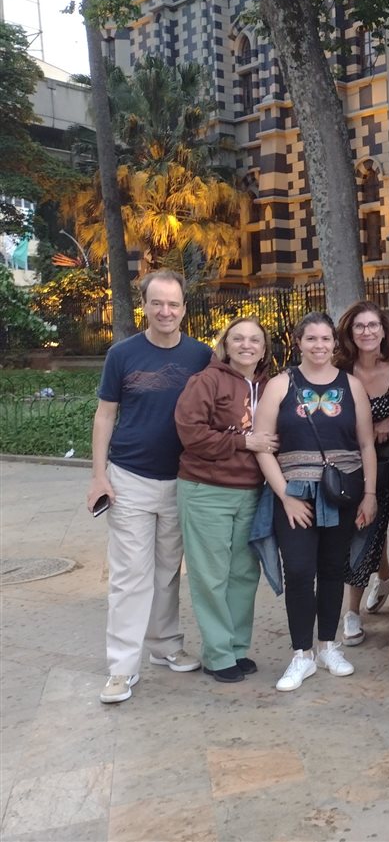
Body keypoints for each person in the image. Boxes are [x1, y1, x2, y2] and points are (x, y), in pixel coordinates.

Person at [87, 270, 214, 704]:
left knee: (167, 572)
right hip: (129, 478)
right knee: (129, 576)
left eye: (174, 304)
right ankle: (121, 668)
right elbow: (105, 415)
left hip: (181, 479)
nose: (166, 311)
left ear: (183, 307)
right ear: (144, 305)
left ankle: (165, 646)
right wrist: (99, 475)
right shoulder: (122, 354)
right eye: (157, 303)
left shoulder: (200, 356)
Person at [253, 312, 378, 692]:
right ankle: (301, 654)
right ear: (298, 342)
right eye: (312, 339)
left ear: (334, 344)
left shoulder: (351, 385)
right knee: (300, 571)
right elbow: (262, 446)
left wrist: (370, 493)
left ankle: (328, 645)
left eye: (326, 339)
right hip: (295, 494)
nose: (320, 346)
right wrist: (285, 497)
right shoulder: (280, 385)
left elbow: (367, 443)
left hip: (341, 492)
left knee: (332, 569)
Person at [174, 316, 278, 683]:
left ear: (264, 349)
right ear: (226, 345)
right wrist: (242, 441)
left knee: (244, 574)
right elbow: (191, 433)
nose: (246, 345)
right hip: (207, 490)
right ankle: (217, 655)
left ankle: (236, 648)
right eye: (238, 339)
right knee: (210, 575)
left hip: (251, 492)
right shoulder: (207, 380)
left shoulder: (270, 386)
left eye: (254, 340)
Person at [334, 301, 389, 647]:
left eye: (372, 326)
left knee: (364, 532)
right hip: (340, 464)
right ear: (350, 333)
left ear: (383, 331)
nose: (366, 332)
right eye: (359, 327)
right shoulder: (337, 370)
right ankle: (384, 574)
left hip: (382, 466)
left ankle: (351, 613)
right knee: (357, 535)